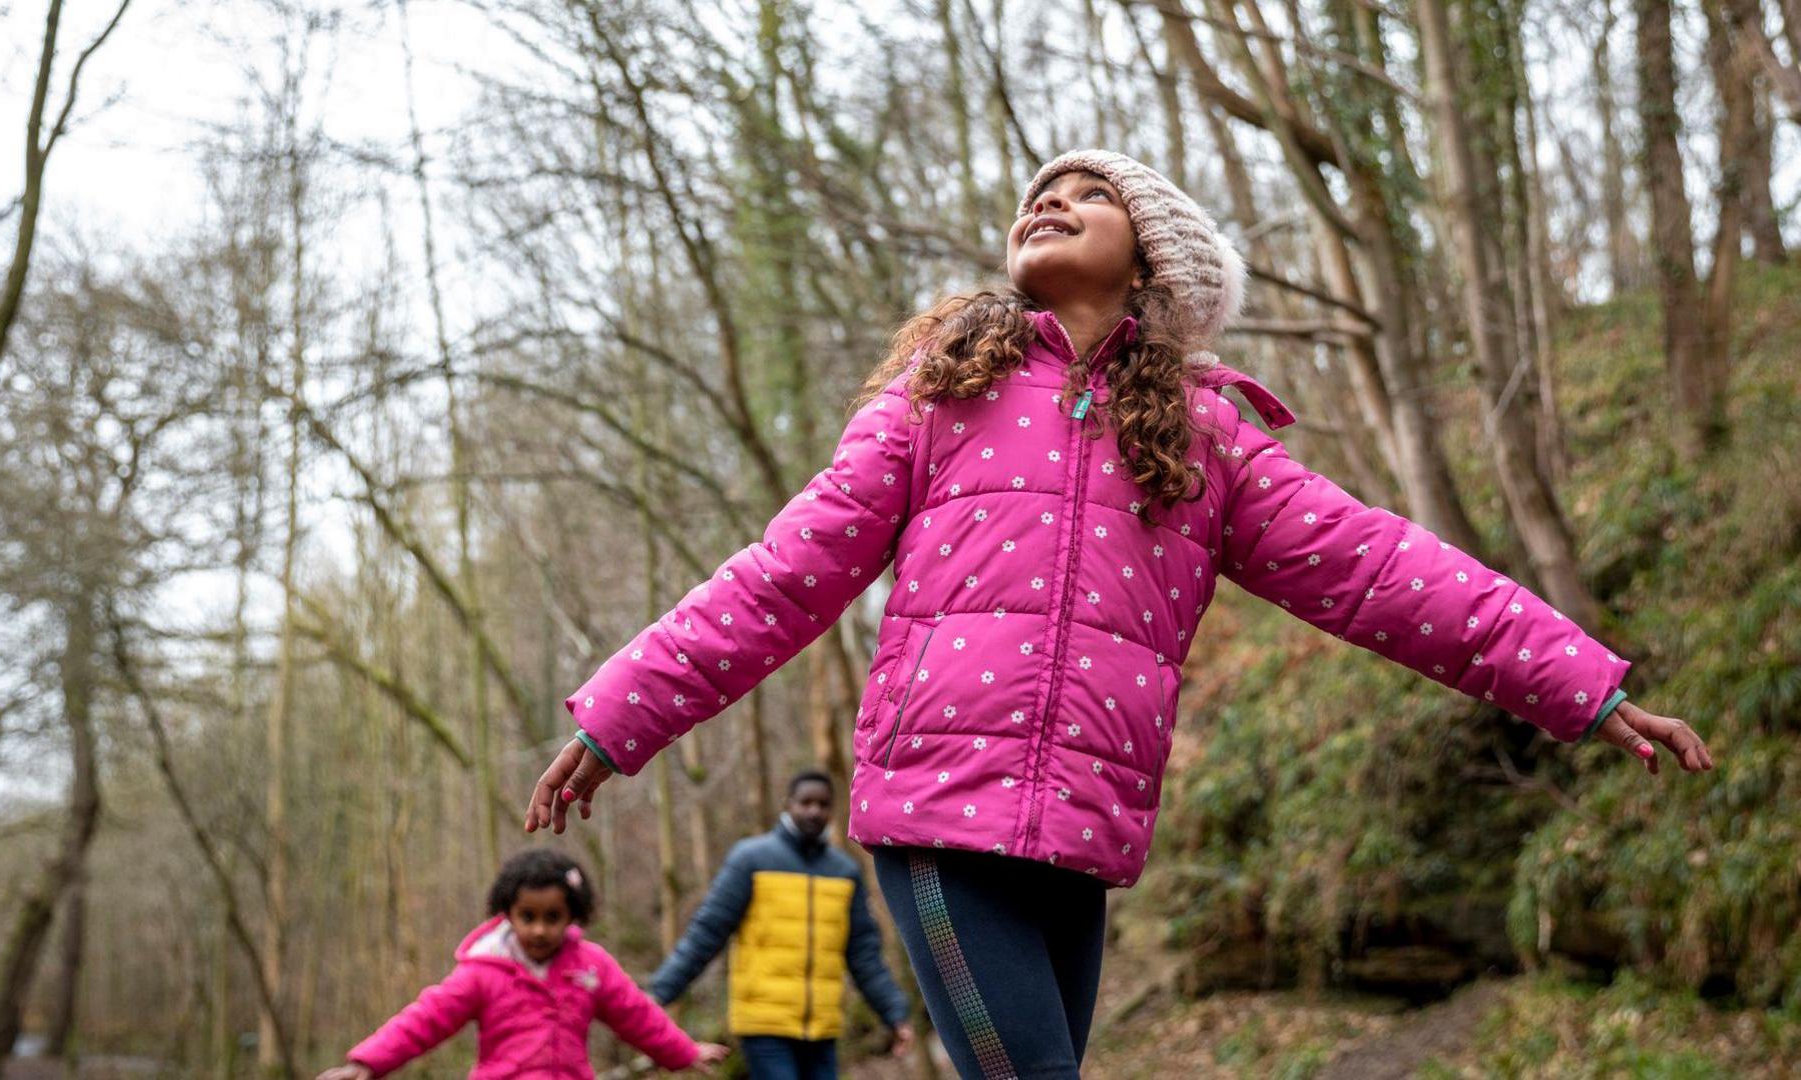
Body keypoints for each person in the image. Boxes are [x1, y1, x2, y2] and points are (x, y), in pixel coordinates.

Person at [526, 149, 1715, 1078]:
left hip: (1081, 839)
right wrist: (617, 717)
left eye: (1087, 196)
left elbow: (1384, 574)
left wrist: (1580, 683)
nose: (1047, 203)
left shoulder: (1208, 442)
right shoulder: (938, 398)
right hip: (939, 815)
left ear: (1149, 260)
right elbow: (783, 574)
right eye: (1038, 195)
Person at [316, 849, 727, 1080]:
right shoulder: (482, 971)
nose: (539, 930)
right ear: (507, 913)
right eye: (528, 917)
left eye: (552, 918)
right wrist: (367, 1063)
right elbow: (425, 1020)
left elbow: (636, 1015)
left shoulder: (590, 966)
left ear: (573, 917)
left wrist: (683, 1051)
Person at [644, 769, 914, 1079]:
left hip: (822, 1028)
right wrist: (658, 993)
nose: (814, 811)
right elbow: (706, 933)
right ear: (788, 805)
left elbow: (864, 954)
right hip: (764, 1023)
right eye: (806, 802)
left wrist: (895, 1013)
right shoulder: (751, 859)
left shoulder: (844, 871)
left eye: (823, 804)